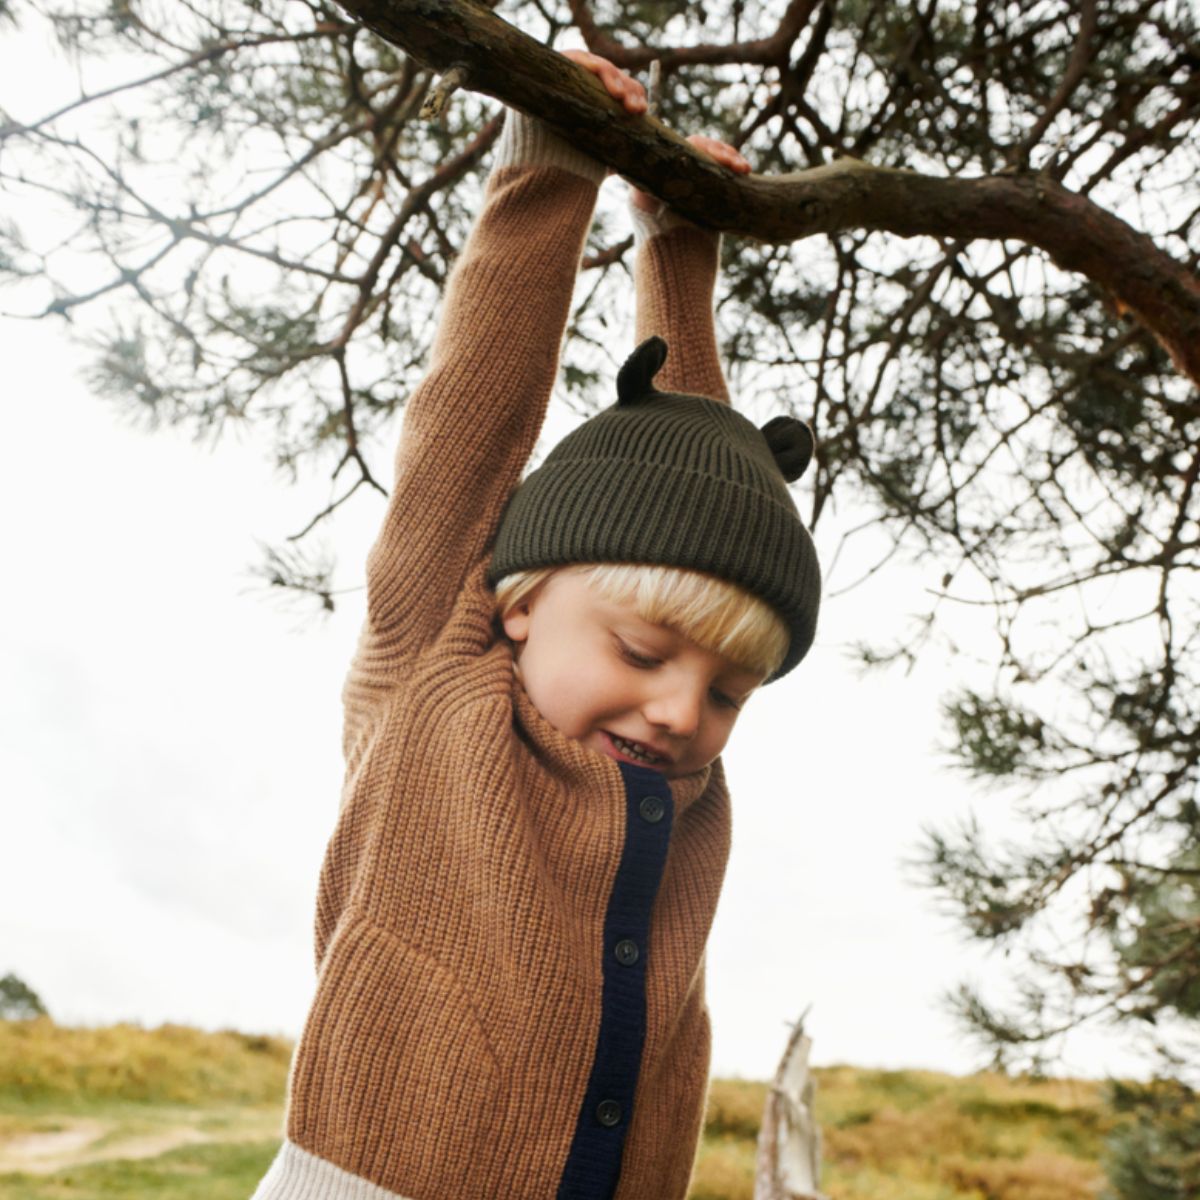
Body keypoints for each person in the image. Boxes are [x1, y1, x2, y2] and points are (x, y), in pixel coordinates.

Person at [251, 48, 820, 1200]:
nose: (681, 711)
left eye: (728, 691)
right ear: (517, 604)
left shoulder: (681, 791)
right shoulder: (437, 687)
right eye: (644, 654)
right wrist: (551, 161)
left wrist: (680, 245)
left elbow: (703, 474)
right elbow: (469, 425)